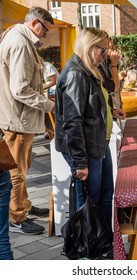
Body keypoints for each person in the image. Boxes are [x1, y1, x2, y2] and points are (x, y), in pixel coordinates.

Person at [55, 28, 125, 235]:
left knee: (104, 195)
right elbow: (72, 121)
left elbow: (91, 106)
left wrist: (111, 111)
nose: (104, 55)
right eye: (102, 50)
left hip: (97, 143)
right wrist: (80, 162)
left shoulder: (88, 70)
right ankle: (88, 246)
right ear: (89, 46)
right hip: (87, 148)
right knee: (89, 199)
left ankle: (102, 240)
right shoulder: (77, 74)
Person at [0, 7, 55, 235]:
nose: (45, 36)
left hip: (18, 118)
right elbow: (21, 89)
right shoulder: (21, 43)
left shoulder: (18, 37)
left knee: (23, 168)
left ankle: (23, 206)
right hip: (17, 120)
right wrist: (50, 105)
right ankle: (16, 217)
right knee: (18, 172)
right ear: (35, 24)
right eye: (45, 31)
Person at [99, 38, 127, 110]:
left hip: (115, 105)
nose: (113, 51)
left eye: (113, 47)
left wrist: (121, 79)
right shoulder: (102, 63)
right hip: (108, 106)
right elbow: (113, 88)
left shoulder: (111, 62)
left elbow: (118, 89)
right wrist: (114, 65)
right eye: (110, 48)